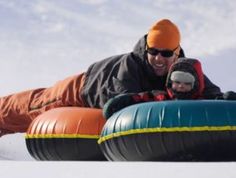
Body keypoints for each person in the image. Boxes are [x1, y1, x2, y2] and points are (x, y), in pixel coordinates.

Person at [0, 19, 224, 136]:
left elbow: (208, 92)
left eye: (166, 54)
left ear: (177, 53)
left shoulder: (183, 71)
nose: (158, 59)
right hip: (80, 90)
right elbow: (125, 104)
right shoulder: (130, 67)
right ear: (146, 49)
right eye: (153, 51)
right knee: (28, 108)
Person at [102, 57, 205, 119]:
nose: (181, 86)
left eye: (187, 83)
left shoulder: (201, 103)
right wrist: (122, 101)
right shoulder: (161, 97)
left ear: (194, 85)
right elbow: (141, 98)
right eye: (177, 82)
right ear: (170, 82)